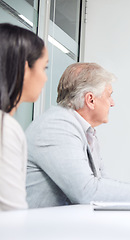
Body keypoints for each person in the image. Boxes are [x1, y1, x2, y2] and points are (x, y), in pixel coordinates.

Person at [25, 63, 130, 208]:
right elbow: (87, 192)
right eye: (109, 95)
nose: (112, 103)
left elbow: (102, 186)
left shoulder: (84, 130)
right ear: (90, 100)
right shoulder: (56, 126)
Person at [0, 23, 48, 211]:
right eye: (44, 67)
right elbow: (11, 214)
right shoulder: (5, 129)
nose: (45, 78)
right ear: (25, 68)